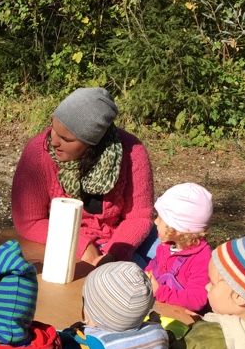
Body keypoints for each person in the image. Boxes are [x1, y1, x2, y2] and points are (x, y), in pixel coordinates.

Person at [11, 87, 154, 265]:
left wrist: (113, 255)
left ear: (92, 143)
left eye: (67, 139)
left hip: (117, 239)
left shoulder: (132, 153)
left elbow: (139, 217)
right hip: (60, 240)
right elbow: (29, 221)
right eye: (53, 129)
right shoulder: (38, 153)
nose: (53, 142)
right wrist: (79, 245)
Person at [143, 182, 213, 314]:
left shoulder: (202, 259)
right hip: (162, 306)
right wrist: (145, 276)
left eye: (160, 218)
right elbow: (153, 266)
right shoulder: (166, 246)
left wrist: (159, 292)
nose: (155, 222)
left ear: (177, 229)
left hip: (185, 318)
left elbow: (197, 300)